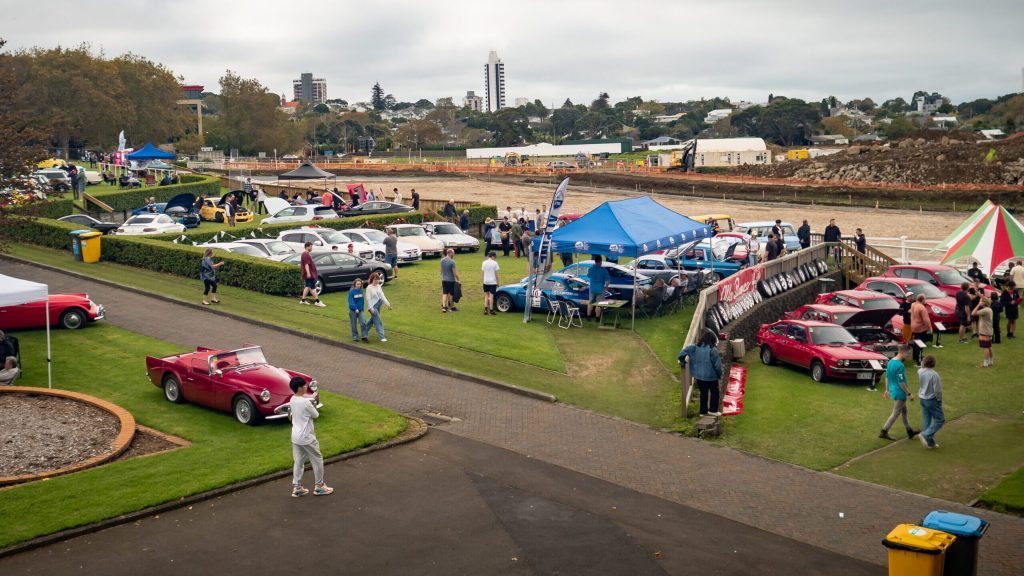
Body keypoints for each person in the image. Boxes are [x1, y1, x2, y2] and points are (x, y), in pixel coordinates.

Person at [288, 376, 333, 498]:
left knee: (298, 462)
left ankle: (297, 488)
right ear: (299, 388)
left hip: (295, 436)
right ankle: (319, 486)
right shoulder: (305, 402)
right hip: (307, 437)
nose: (305, 387)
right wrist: (311, 404)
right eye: (304, 386)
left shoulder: (292, 399)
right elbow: (316, 415)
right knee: (317, 459)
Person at [678, 330, 724, 417]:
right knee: (715, 393)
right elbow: (717, 365)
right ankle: (713, 410)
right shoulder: (712, 350)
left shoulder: (693, 347)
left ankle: (703, 412)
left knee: (703, 393)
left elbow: (681, 354)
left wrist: (682, 361)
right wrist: (719, 374)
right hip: (712, 376)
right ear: (712, 340)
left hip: (699, 376)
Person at [879, 344, 919, 441]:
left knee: (904, 411)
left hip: (893, 391)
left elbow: (887, 377)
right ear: (903, 352)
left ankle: (910, 431)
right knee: (895, 413)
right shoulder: (900, 365)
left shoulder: (891, 362)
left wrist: (887, 390)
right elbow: (901, 382)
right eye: (908, 353)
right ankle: (884, 431)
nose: (909, 355)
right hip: (900, 393)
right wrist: (909, 394)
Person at [917, 355, 944, 449]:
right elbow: (938, 390)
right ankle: (925, 434)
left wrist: (923, 360)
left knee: (926, 419)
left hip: (922, 399)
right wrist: (940, 399)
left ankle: (930, 443)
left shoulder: (920, 371)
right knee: (940, 420)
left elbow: (921, 366)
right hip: (932, 400)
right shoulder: (934, 374)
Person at [362, 271, 391, 342]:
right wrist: (370, 308)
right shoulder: (369, 287)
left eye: (378, 279)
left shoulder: (378, 286)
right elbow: (368, 299)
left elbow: (382, 296)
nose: (377, 281)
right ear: (372, 279)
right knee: (378, 320)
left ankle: (364, 332)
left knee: (372, 320)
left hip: (379, 304)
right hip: (372, 306)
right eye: (375, 279)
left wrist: (387, 303)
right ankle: (382, 336)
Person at [299, 242, 325, 307]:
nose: (311, 248)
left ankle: (303, 300)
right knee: (313, 287)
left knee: (307, 287)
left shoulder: (306, 254)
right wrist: (308, 273)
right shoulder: (305, 254)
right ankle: (317, 302)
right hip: (309, 274)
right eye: (311, 246)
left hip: (310, 273)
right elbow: (306, 264)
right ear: (307, 247)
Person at [586, 255, 610, 322]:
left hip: (592, 288)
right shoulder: (604, 270)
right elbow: (607, 280)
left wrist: (593, 267)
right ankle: (597, 318)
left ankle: (588, 316)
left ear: (595, 261)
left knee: (590, 302)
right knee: (598, 304)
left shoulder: (591, 269)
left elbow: (588, 275)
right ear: (600, 261)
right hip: (600, 288)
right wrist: (606, 288)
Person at [909, 294, 932, 366]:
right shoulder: (922, 307)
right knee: (920, 344)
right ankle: (918, 360)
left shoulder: (913, 304)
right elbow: (926, 320)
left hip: (913, 326)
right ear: (922, 300)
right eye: (925, 299)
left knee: (916, 342)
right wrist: (929, 328)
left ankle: (915, 357)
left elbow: (910, 311)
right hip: (920, 328)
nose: (926, 300)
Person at [973, 297, 994, 367]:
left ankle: (985, 363)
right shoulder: (989, 309)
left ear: (983, 303)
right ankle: (990, 361)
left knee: (985, 347)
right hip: (989, 330)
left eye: (981, 301)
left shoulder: (985, 310)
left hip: (985, 331)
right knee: (989, 346)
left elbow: (973, 313)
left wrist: (978, 304)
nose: (980, 302)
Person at [440, 248, 460, 313]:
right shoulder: (452, 261)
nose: (453, 254)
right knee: (451, 294)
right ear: (450, 253)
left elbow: (441, 270)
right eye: (453, 253)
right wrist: (458, 279)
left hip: (444, 279)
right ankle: (451, 307)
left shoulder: (442, 260)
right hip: (451, 280)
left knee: (445, 293)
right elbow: (454, 273)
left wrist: (443, 276)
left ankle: (444, 307)